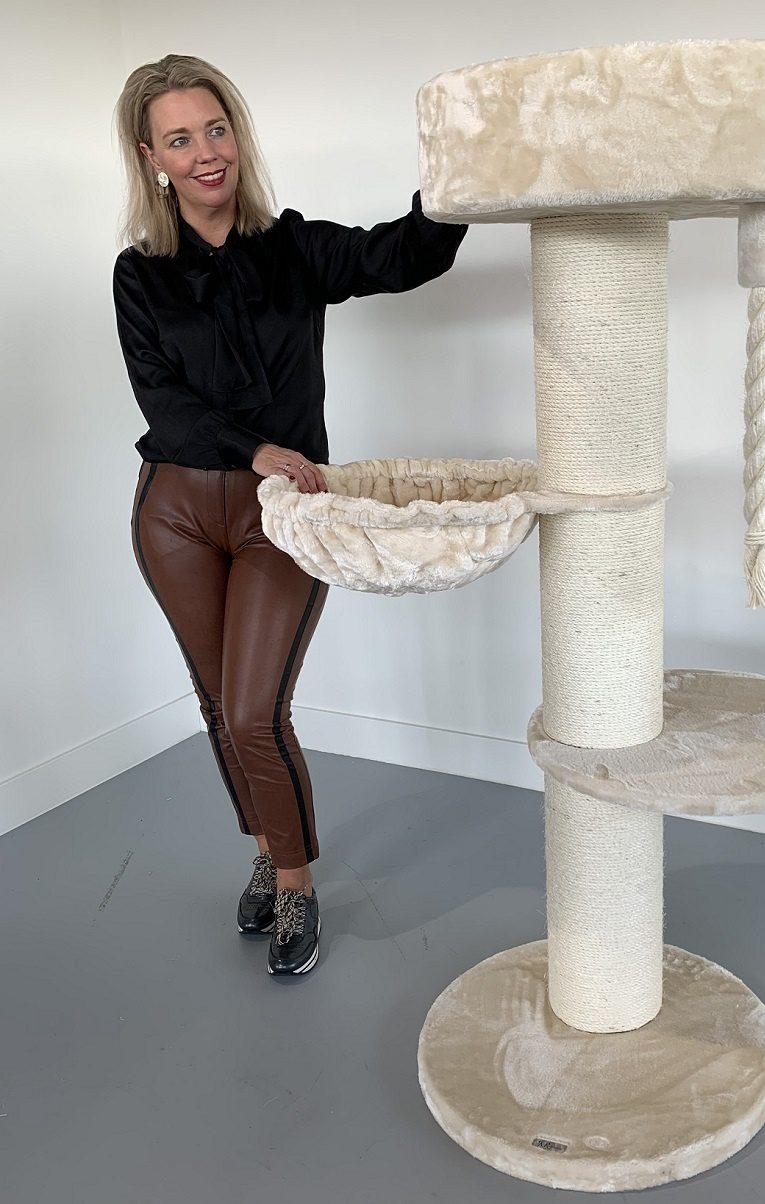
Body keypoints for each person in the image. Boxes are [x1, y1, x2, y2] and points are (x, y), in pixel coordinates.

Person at [113, 54, 467, 977]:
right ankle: (268, 853)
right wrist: (253, 446)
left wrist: (462, 177)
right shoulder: (139, 274)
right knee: (215, 705)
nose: (205, 153)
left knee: (254, 709)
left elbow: (400, 255)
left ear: (237, 135)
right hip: (176, 513)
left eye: (216, 129)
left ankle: (299, 885)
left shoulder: (294, 247)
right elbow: (163, 403)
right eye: (180, 139)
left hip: (286, 515)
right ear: (151, 157)